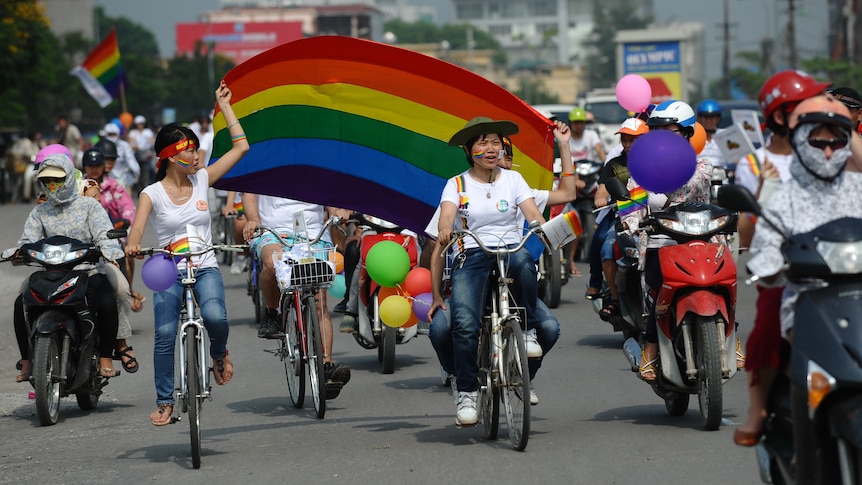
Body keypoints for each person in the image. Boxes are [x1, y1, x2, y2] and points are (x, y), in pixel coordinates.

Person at [734, 95, 862, 447]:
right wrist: (769, 263)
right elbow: (761, 248)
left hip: (856, 294)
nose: (826, 150)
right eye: (816, 141)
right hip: (807, 298)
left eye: (836, 140)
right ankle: (765, 415)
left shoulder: (860, 186)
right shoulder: (783, 197)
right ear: (799, 141)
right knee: (769, 323)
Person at [125, 81, 249, 426]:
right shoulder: (151, 193)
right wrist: (133, 244)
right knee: (164, 333)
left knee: (216, 318)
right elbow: (137, 228)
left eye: (197, 149)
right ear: (170, 156)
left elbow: (241, 147)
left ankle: (218, 353)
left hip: (205, 264)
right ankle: (165, 400)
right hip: (167, 268)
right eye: (190, 150)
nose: (197, 156)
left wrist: (225, 107)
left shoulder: (203, 180)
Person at [427, 119, 573, 407]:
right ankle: (466, 391)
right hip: (472, 256)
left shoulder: (514, 180)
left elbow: (533, 212)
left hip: (509, 254)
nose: (491, 149)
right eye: (483, 143)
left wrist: (541, 226)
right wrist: (446, 228)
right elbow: (446, 217)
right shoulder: (457, 184)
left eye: (496, 142)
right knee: (462, 325)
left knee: (549, 326)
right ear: (469, 150)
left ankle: (524, 360)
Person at [618, 100, 713, 381]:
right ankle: (650, 347)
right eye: (657, 132)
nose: (662, 138)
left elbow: (691, 184)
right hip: (661, 242)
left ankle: (730, 335)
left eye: (669, 131)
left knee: (723, 280)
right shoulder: (640, 168)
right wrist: (630, 221)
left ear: (686, 133)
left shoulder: (703, 165)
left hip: (702, 239)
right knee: (660, 293)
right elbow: (632, 203)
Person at [13, 154, 123, 382]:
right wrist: (19, 252)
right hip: (50, 272)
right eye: (48, 181)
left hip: (87, 270)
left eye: (58, 180)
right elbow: (27, 240)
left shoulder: (89, 206)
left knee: (105, 297)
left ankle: (105, 356)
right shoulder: (39, 212)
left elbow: (104, 233)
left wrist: (107, 247)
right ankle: (26, 361)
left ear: (69, 179)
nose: (53, 185)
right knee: (20, 302)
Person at [240, 194, 352, 398]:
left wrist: (337, 211)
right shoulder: (264, 161)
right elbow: (249, 193)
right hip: (273, 233)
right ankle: (273, 313)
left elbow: (328, 189)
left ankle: (326, 365)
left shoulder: (316, 162)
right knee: (272, 264)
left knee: (319, 303)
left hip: (312, 234)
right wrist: (253, 219)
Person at [736, 70, 831, 251]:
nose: (813, 116)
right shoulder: (752, 164)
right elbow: (745, 242)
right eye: (804, 109)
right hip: (781, 271)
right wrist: (760, 199)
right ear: (780, 117)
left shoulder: (827, 153)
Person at [589, 118, 649, 319]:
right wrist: (600, 199)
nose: (627, 144)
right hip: (623, 217)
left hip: (653, 217)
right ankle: (614, 299)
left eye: (633, 140)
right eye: (625, 139)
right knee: (605, 247)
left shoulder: (656, 161)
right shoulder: (614, 165)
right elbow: (602, 189)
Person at [566, 107, 606, 276]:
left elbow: (600, 152)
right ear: (571, 124)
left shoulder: (591, 135)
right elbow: (565, 158)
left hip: (590, 174)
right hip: (572, 176)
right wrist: (574, 179)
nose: (579, 125)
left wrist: (606, 163)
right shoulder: (565, 138)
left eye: (581, 122)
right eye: (576, 122)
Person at [102, 122, 140, 192]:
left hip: (123, 177)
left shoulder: (124, 145)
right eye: (110, 134)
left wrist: (136, 172)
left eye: (114, 134)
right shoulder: (101, 145)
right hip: (105, 177)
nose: (112, 137)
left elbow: (130, 159)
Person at [128, 115, 156, 189]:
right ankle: (136, 184)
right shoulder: (133, 133)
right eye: (139, 124)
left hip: (146, 155)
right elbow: (131, 143)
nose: (140, 125)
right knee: (135, 170)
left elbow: (152, 141)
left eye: (142, 123)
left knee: (150, 169)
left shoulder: (148, 132)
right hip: (136, 155)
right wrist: (135, 146)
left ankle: (149, 183)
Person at [695, 99, 725, 167]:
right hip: (699, 176)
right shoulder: (692, 136)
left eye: (712, 117)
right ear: (699, 118)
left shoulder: (726, 135)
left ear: (718, 118)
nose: (708, 120)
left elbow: (738, 159)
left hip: (723, 176)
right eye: (705, 116)